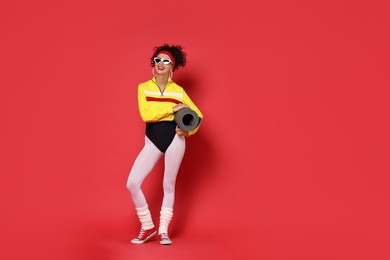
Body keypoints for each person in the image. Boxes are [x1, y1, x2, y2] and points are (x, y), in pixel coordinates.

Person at [126, 44, 203, 245]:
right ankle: (147, 226)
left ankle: (163, 231)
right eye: (158, 59)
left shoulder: (179, 91)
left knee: (168, 185)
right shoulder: (143, 87)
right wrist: (172, 109)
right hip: (153, 140)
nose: (161, 63)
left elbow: (198, 115)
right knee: (132, 183)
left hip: (176, 139)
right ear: (154, 63)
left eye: (166, 61)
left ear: (172, 67)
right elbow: (147, 115)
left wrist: (188, 130)